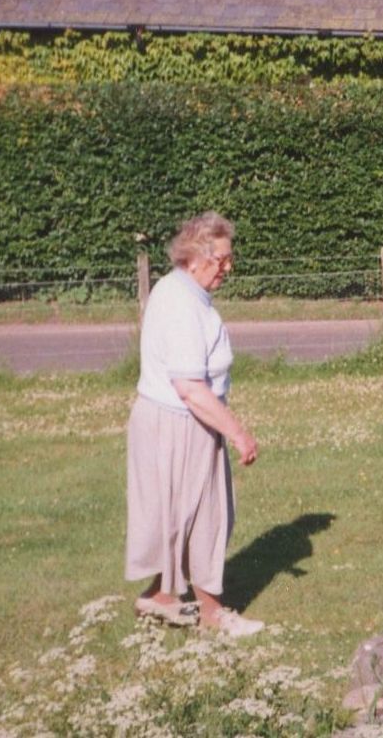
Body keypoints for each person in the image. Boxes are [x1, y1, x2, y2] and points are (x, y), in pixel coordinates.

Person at [125, 212, 263, 636]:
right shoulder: (181, 303)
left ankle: (160, 597)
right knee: (204, 515)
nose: (227, 267)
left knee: (180, 515)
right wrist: (237, 432)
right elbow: (190, 387)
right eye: (221, 259)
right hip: (181, 421)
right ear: (195, 258)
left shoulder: (178, 291)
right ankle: (212, 614)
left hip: (173, 419)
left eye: (228, 257)